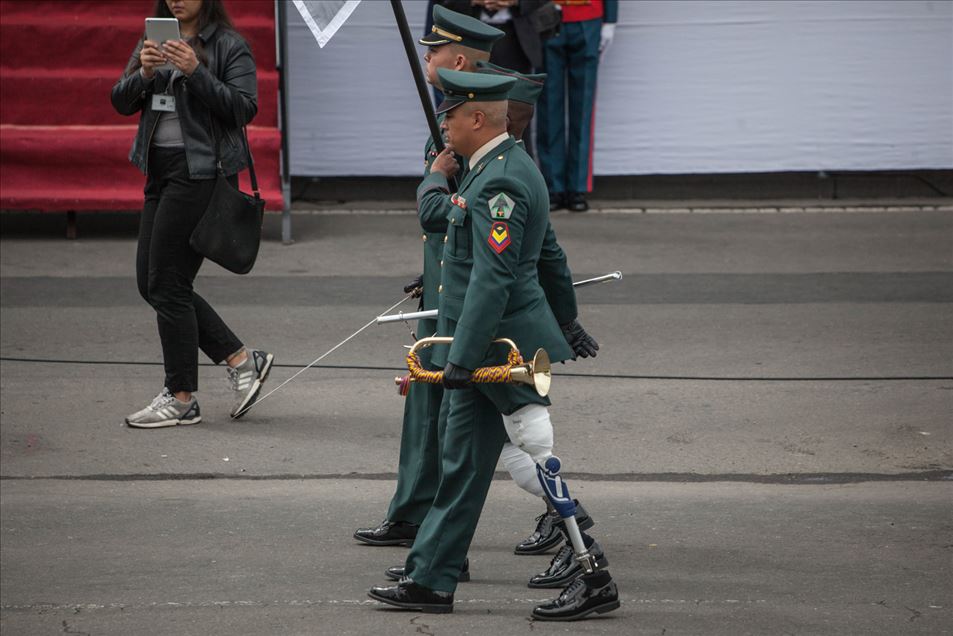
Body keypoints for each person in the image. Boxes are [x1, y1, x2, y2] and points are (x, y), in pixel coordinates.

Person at [368, 68, 619, 621]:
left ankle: (593, 573)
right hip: (489, 347)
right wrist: (568, 319)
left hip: (496, 350)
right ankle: (432, 578)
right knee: (461, 464)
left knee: (538, 453)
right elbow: (550, 257)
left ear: (476, 119)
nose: (443, 125)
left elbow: (491, 279)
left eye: (449, 115)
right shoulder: (501, 170)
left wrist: (461, 355)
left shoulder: (499, 181)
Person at [111, 0, 273, 428]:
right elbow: (120, 100)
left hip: (200, 173)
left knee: (167, 282)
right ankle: (241, 360)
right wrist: (144, 74)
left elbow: (243, 109)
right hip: (159, 171)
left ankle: (181, 396)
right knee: (154, 284)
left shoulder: (228, 45)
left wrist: (195, 72)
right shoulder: (152, 37)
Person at [537, 0, 618, 212]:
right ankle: (553, 184)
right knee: (548, 105)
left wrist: (610, 19)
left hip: (588, 15)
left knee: (583, 105)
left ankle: (577, 186)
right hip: (547, 14)